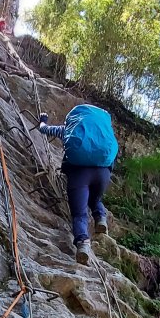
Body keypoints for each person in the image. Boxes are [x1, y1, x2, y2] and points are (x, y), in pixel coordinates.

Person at [39, 104, 119, 264]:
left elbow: (44, 129)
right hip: (103, 174)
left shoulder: (68, 130)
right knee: (95, 199)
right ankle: (100, 218)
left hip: (79, 174)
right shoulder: (102, 137)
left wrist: (43, 120)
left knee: (79, 214)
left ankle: (83, 244)